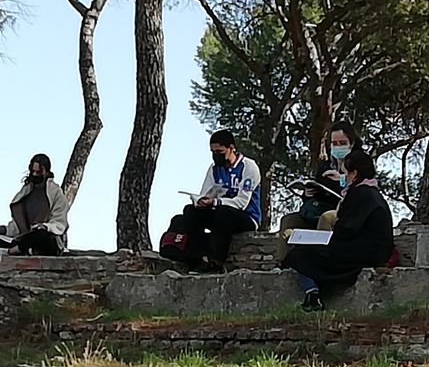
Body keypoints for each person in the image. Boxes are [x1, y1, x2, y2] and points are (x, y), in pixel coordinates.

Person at [283, 150, 394, 311]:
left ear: (355, 173)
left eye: (345, 173)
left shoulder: (361, 193)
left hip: (365, 251)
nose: (344, 177)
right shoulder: (370, 193)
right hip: (372, 248)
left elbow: (347, 229)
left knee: (300, 254)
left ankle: (312, 294)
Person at [161, 130, 261, 272]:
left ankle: (216, 261)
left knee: (223, 212)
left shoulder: (248, 167)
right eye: (213, 152)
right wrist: (200, 202)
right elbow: (205, 193)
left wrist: (215, 202)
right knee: (190, 211)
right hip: (220, 212)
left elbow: (242, 202)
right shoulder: (214, 170)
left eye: (219, 151)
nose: (216, 156)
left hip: (246, 217)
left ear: (231, 148)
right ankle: (196, 257)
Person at [0, 153, 69, 257]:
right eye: (33, 171)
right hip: (22, 238)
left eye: (38, 172)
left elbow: (60, 223)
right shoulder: (26, 191)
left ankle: (10, 252)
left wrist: (45, 227)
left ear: (46, 172)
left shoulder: (56, 193)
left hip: (43, 237)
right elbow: (18, 224)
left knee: (42, 236)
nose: (34, 174)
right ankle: (22, 249)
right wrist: (5, 230)